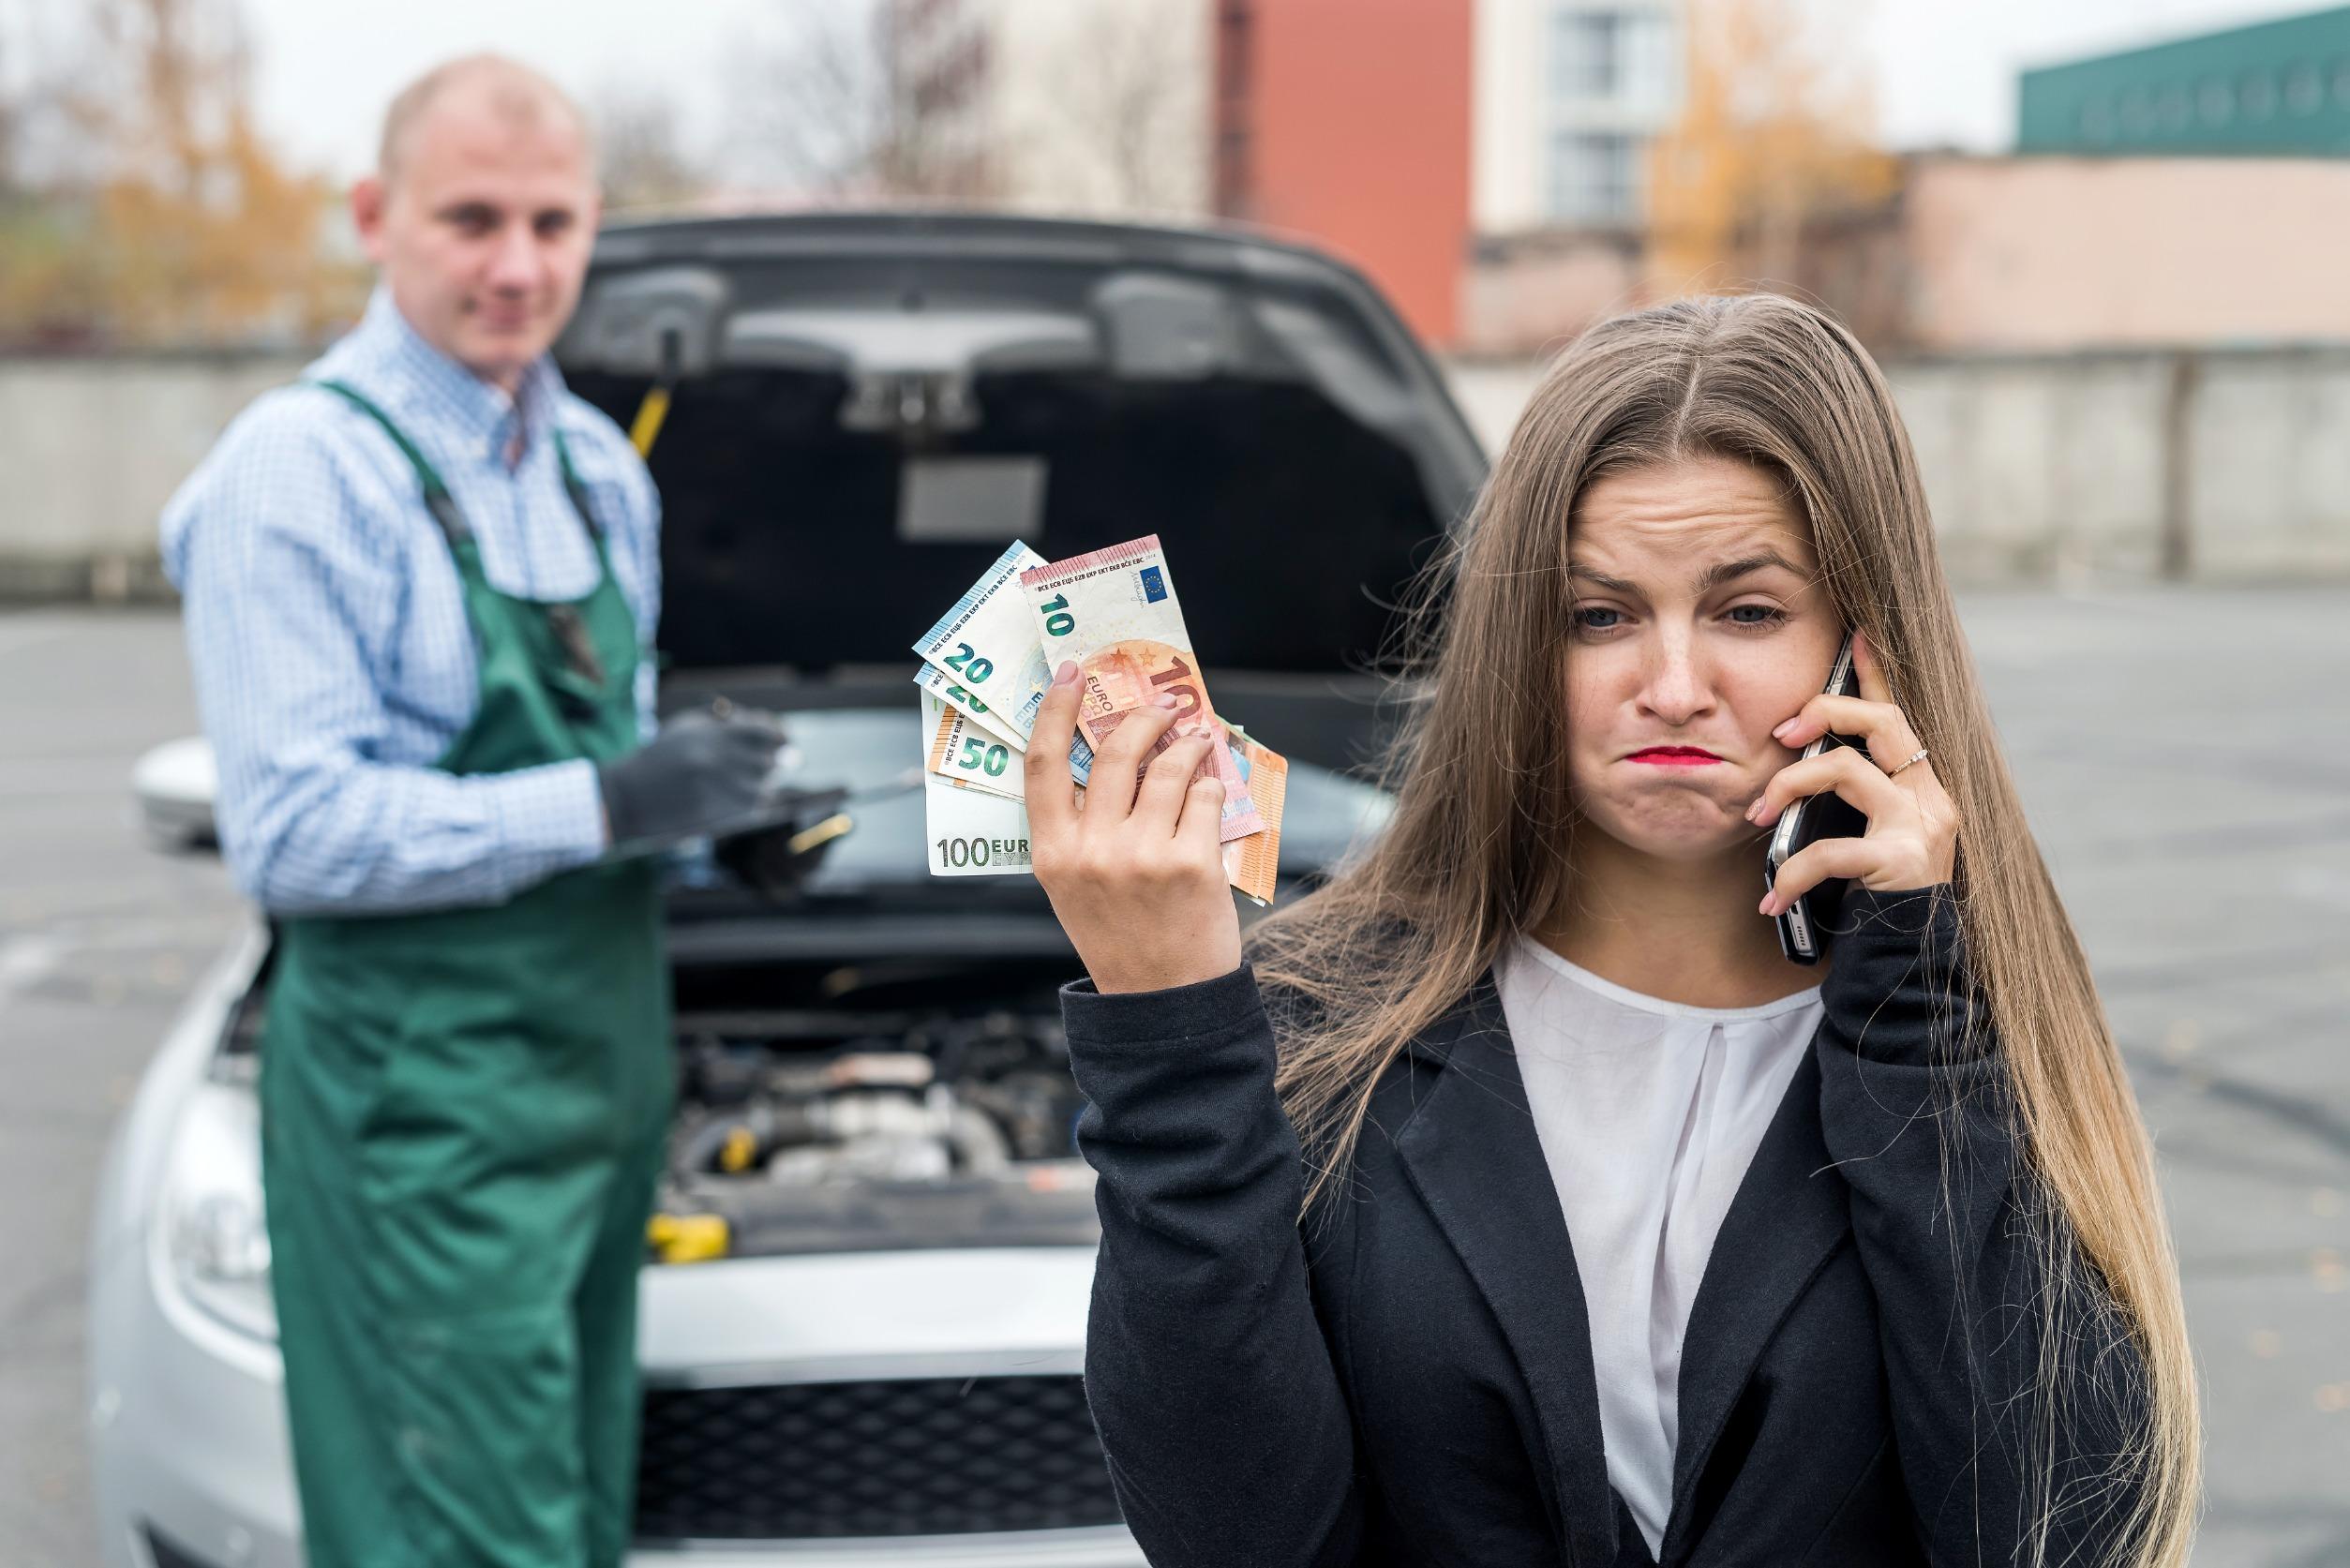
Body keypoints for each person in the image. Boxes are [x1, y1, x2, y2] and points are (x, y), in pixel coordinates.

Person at [1023, 294, 2201, 1568]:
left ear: (1870, 648)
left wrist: (1916, 998)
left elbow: (2053, 1537)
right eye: (1600, 614)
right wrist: (1167, 1018)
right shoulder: (1318, 1020)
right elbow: (1242, 1543)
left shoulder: (1957, 1020)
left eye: (1749, 612)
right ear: (1517, 644)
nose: (1675, 684)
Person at [159, 55, 781, 1568]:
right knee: (459, 1541)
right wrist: (610, 797)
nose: (519, 267)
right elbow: (295, 831)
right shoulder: (298, 474)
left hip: (600, 1097)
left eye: (555, 224)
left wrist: (707, 830)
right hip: (418, 1123)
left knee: (570, 1523)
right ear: (376, 217)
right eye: (472, 219)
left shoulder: (590, 469)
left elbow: (608, 775)